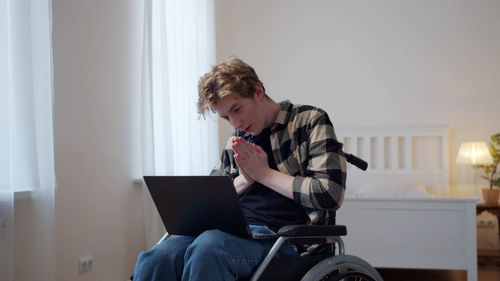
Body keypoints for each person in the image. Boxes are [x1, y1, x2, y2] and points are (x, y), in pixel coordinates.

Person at [132, 57, 347, 281]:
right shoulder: (236, 139)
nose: (235, 124)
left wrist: (264, 174)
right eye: (226, 117)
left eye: (237, 109)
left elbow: (329, 194)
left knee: (209, 248)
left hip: (285, 241)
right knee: (156, 257)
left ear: (258, 91)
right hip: (231, 234)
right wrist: (245, 179)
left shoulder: (309, 122)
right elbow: (210, 199)